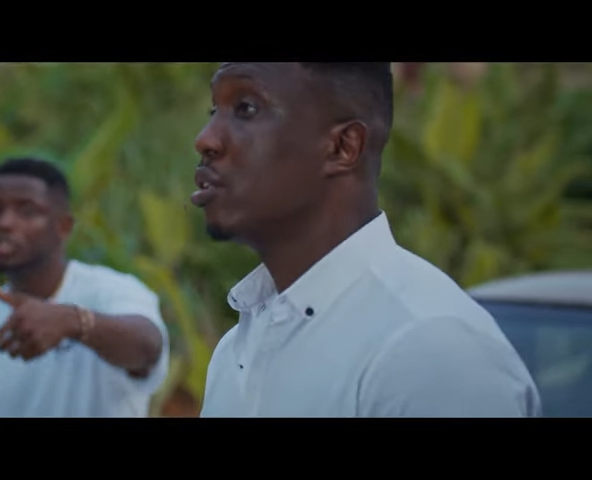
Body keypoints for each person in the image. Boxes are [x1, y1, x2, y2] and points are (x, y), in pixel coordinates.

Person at [191, 62, 541, 417]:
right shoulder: (237, 350)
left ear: (343, 147)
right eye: (214, 111)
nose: (205, 139)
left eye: (246, 109)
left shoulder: (429, 348)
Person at [0, 157, 169, 417]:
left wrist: (73, 322)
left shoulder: (113, 291)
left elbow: (148, 347)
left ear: (64, 226)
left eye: (27, 211)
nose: (4, 223)